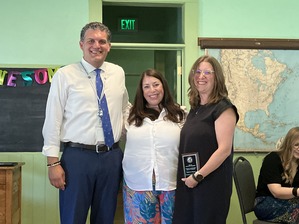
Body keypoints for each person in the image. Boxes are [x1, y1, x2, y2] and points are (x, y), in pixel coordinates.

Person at [42, 22, 129, 224]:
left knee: (106, 217)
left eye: (102, 41)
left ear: (109, 46)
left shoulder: (118, 73)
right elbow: (53, 119)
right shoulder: (65, 75)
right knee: (73, 217)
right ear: (81, 44)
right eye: (91, 41)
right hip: (77, 158)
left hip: (112, 157)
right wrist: (52, 162)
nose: (96, 45)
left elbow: (124, 108)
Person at [172, 55, 239, 224]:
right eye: (198, 71)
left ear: (217, 78)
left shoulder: (224, 108)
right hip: (190, 181)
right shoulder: (196, 109)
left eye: (208, 72)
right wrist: (192, 178)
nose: (201, 76)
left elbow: (224, 150)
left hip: (209, 183)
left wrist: (198, 176)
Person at [122, 68, 186, 223]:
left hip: (171, 184)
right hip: (137, 185)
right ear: (141, 91)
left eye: (156, 84)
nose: (152, 90)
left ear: (163, 86)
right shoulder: (129, 115)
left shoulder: (180, 114)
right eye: (147, 86)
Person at [254, 127, 299, 223]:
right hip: (266, 202)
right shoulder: (272, 159)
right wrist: (297, 191)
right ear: (288, 144)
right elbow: (276, 191)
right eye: (296, 145)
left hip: (290, 201)